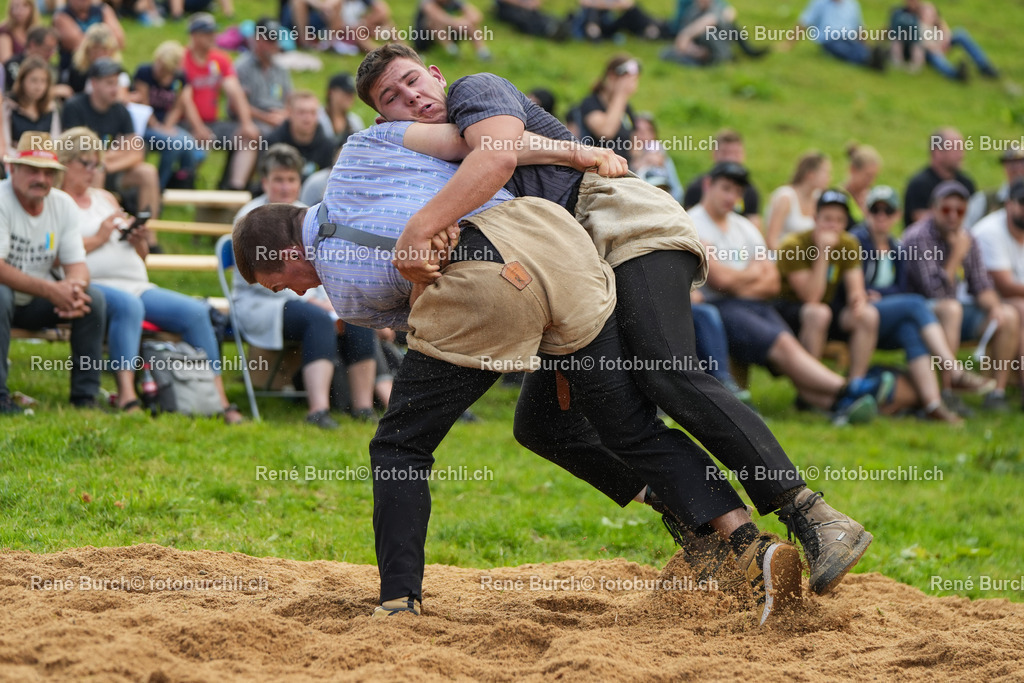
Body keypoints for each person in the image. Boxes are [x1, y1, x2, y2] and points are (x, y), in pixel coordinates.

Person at [234, 124, 813, 626]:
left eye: (279, 284)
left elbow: (429, 311)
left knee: (399, 445)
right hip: (560, 249)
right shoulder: (367, 148)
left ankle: (398, 599)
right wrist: (578, 152)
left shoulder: (340, 284)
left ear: (280, 255)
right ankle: (741, 542)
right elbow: (486, 144)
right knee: (608, 426)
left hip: (484, 285)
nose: (296, 292)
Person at [355, 44, 873, 600]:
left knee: (664, 371)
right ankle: (711, 531)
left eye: (413, 80)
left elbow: (497, 154)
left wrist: (419, 231)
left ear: (435, 74)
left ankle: (811, 513)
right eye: (393, 97)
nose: (412, 97)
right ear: (385, 121)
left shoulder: (473, 89)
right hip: (570, 271)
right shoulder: (428, 158)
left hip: (619, 224)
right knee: (544, 425)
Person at [57, 127, 244, 422]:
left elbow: (142, 257)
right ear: (66, 163)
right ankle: (127, 395)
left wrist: (139, 240)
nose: (93, 171)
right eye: (86, 163)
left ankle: (219, 399)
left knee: (196, 312)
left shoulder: (105, 198)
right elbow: (56, 254)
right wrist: (100, 237)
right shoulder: (57, 201)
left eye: (97, 164)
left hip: (136, 282)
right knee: (128, 306)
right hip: (94, 284)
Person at [692, 162, 885, 424]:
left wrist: (736, 279)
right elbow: (720, 282)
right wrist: (751, 272)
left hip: (758, 305)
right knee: (784, 346)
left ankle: (838, 405)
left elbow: (771, 282)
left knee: (789, 350)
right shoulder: (692, 224)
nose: (731, 197)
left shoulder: (744, 226)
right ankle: (848, 389)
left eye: (737, 191)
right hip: (720, 310)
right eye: (726, 188)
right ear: (708, 185)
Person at [231, 143, 380, 427]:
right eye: (278, 179)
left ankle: (363, 406)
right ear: (264, 182)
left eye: (291, 179)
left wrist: (331, 299)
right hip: (265, 303)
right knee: (317, 318)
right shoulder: (249, 219)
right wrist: (312, 301)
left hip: (313, 298)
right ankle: (318, 409)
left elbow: (320, 267)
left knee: (354, 314)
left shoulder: (305, 213)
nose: (285, 187)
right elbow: (263, 281)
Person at [849, 185, 991, 423]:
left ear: (897, 215)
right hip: (861, 311)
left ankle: (933, 404)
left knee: (912, 330)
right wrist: (956, 256)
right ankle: (953, 372)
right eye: (875, 210)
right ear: (866, 212)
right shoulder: (857, 241)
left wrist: (882, 295)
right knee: (918, 304)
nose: (882, 216)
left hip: (890, 312)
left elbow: (901, 287)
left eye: (888, 210)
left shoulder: (896, 246)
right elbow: (858, 287)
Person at [0, 131, 106, 415]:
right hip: (7, 297)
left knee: (92, 300)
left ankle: (85, 398)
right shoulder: (1, 199)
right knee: (1, 294)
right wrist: (52, 291)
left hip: (34, 300)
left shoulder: (62, 204)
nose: (42, 179)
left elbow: (77, 265)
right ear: (12, 169)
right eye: (33, 170)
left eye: (48, 172)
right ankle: (0, 398)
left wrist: (72, 289)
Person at [903, 181, 1020, 411]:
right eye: (947, 209)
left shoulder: (966, 237)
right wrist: (956, 255)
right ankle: (948, 392)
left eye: (960, 210)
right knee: (951, 309)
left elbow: (981, 285)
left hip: (955, 311)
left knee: (1009, 314)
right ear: (934, 209)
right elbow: (935, 292)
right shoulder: (919, 237)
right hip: (919, 312)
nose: (953, 216)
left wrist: (995, 307)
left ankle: (996, 393)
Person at [774, 190, 883, 387]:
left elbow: (856, 290)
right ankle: (812, 388)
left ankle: (854, 386)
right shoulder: (793, 245)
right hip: (790, 312)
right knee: (819, 313)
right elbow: (811, 297)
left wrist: (858, 301)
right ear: (815, 218)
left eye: (839, 220)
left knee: (868, 315)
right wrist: (823, 252)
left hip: (828, 311)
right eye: (827, 219)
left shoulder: (848, 243)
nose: (833, 225)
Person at [61, 58, 162, 222]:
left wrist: (104, 162)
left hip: (110, 168)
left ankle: (148, 232)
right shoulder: (74, 107)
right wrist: (105, 159)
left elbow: (136, 153)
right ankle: (96, 225)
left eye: (116, 83)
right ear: (94, 83)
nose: (115, 89)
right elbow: (74, 152)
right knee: (96, 170)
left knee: (148, 172)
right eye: (109, 83)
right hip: (82, 171)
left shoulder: (120, 110)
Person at [181, 12, 260, 192]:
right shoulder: (182, 59)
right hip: (186, 123)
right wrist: (198, 127)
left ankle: (233, 189)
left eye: (213, 32)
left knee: (248, 138)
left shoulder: (219, 59)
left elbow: (234, 90)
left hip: (213, 123)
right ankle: (185, 184)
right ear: (194, 35)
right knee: (196, 141)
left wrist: (246, 123)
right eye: (206, 33)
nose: (212, 37)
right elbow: (184, 99)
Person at [971, 178, 1024, 398]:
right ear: (1008, 203)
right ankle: (1002, 391)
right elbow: (1004, 286)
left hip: (1009, 302)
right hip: (976, 305)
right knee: (1019, 309)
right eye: (1022, 202)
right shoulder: (989, 231)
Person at [132, 40, 206, 190]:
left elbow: (177, 107)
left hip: (165, 124)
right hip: (145, 124)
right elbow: (144, 105)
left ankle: (182, 183)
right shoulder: (144, 72)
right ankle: (159, 186)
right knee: (174, 143)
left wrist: (167, 126)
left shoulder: (179, 78)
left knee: (194, 148)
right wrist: (158, 127)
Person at [895, 0, 997, 81]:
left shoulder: (927, 8)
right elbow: (916, 40)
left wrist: (945, 40)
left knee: (960, 33)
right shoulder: (904, 14)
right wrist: (935, 48)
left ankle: (985, 66)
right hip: (924, 50)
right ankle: (955, 74)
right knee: (935, 56)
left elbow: (942, 25)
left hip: (938, 42)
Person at [683, 128, 760, 229]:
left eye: (736, 153)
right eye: (726, 153)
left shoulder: (750, 191)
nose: (731, 159)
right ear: (714, 153)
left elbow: (755, 224)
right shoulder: (695, 188)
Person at [903, 127, 975, 228]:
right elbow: (922, 223)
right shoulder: (920, 185)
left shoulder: (966, 183)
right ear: (938, 152)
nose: (962, 155)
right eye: (956, 148)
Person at [234, 17, 292, 138]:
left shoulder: (281, 69)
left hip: (280, 120)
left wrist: (285, 114)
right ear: (256, 39)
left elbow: (290, 99)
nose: (274, 44)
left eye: (276, 39)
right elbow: (236, 105)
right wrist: (266, 118)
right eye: (269, 40)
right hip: (254, 121)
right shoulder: (242, 67)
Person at [576, 55, 639, 166]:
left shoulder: (626, 107)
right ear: (611, 76)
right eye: (627, 79)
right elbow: (606, 132)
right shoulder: (591, 102)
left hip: (623, 168)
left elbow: (634, 143)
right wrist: (621, 94)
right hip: (597, 166)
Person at [790, 0, 886, 69]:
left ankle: (872, 56)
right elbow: (804, 23)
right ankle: (869, 60)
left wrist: (866, 45)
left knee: (857, 47)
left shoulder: (852, 4)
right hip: (829, 39)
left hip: (849, 38)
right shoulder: (819, 2)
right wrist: (789, 44)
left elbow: (859, 28)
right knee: (842, 50)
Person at [764, 151, 830, 251]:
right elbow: (771, 241)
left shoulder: (818, 197)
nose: (829, 177)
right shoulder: (785, 197)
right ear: (810, 174)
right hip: (782, 256)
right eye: (825, 173)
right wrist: (794, 256)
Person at [265, 90, 336, 182]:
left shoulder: (328, 146)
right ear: (289, 113)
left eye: (313, 113)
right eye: (302, 112)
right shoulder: (273, 142)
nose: (307, 118)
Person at [52, 0, 124, 84]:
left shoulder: (103, 9)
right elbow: (79, 45)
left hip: (106, 70)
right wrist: (101, 38)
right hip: (76, 70)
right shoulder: (61, 15)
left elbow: (119, 41)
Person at [3, 56, 60, 154]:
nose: (38, 87)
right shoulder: (8, 106)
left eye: (43, 81)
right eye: (34, 80)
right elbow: (5, 144)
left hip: (43, 158)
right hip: (16, 158)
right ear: (22, 80)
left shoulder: (50, 108)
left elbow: (55, 141)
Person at [61, 22, 127, 97]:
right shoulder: (77, 72)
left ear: (112, 51)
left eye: (104, 50)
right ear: (87, 51)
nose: (100, 56)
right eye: (95, 51)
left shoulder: (118, 73)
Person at [629, 112, 683, 203]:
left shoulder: (655, 148)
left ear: (653, 134)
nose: (643, 134)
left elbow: (675, 186)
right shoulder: (627, 151)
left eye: (648, 130)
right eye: (638, 130)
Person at [966, 147, 1024, 229]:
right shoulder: (984, 200)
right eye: (1012, 164)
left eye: (1021, 163)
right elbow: (965, 229)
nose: (1017, 169)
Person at [412, 0, 491, 59]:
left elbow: (476, 16)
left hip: (448, 31)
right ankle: (452, 50)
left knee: (469, 25)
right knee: (433, 23)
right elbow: (438, 17)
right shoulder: (427, 2)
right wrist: (456, 22)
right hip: (424, 38)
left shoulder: (453, 2)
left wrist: (466, 21)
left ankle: (482, 52)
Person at [572, 0, 666, 42]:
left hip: (609, 23)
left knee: (633, 10)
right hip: (593, 23)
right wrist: (611, 4)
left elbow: (628, 4)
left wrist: (601, 4)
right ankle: (593, 33)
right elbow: (585, 3)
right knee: (592, 11)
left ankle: (650, 28)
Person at [317, 72, 365, 155]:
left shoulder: (355, 121)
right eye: (345, 93)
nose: (350, 97)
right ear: (331, 92)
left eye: (352, 93)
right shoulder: (317, 118)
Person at [4, 26, 58, 97]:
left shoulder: (51, 67)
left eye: (53, 50)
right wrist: (54, 90)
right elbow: (19, 90)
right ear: (32, 45)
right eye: (48, 49)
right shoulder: (13, 64)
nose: (51, 54)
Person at [840, 143, 881, 228]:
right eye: (868, 176)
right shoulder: (838, 197)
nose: (871, 182)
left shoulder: (872, 197)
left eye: (874, 177)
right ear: (853, 169)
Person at [494, 0, 569, 40]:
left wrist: (534, 3)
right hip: (508, 7)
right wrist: (522, 4)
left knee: (540, 15)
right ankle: (549, 29)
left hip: (527, 8)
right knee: (522, 19)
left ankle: (558, 25)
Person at [0, 0, 40, 64]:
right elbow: (6, 61)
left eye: (25, 6)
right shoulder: (5, 31)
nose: (20, 10)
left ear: (32, 8)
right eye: (16, 6)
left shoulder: (36, 31)